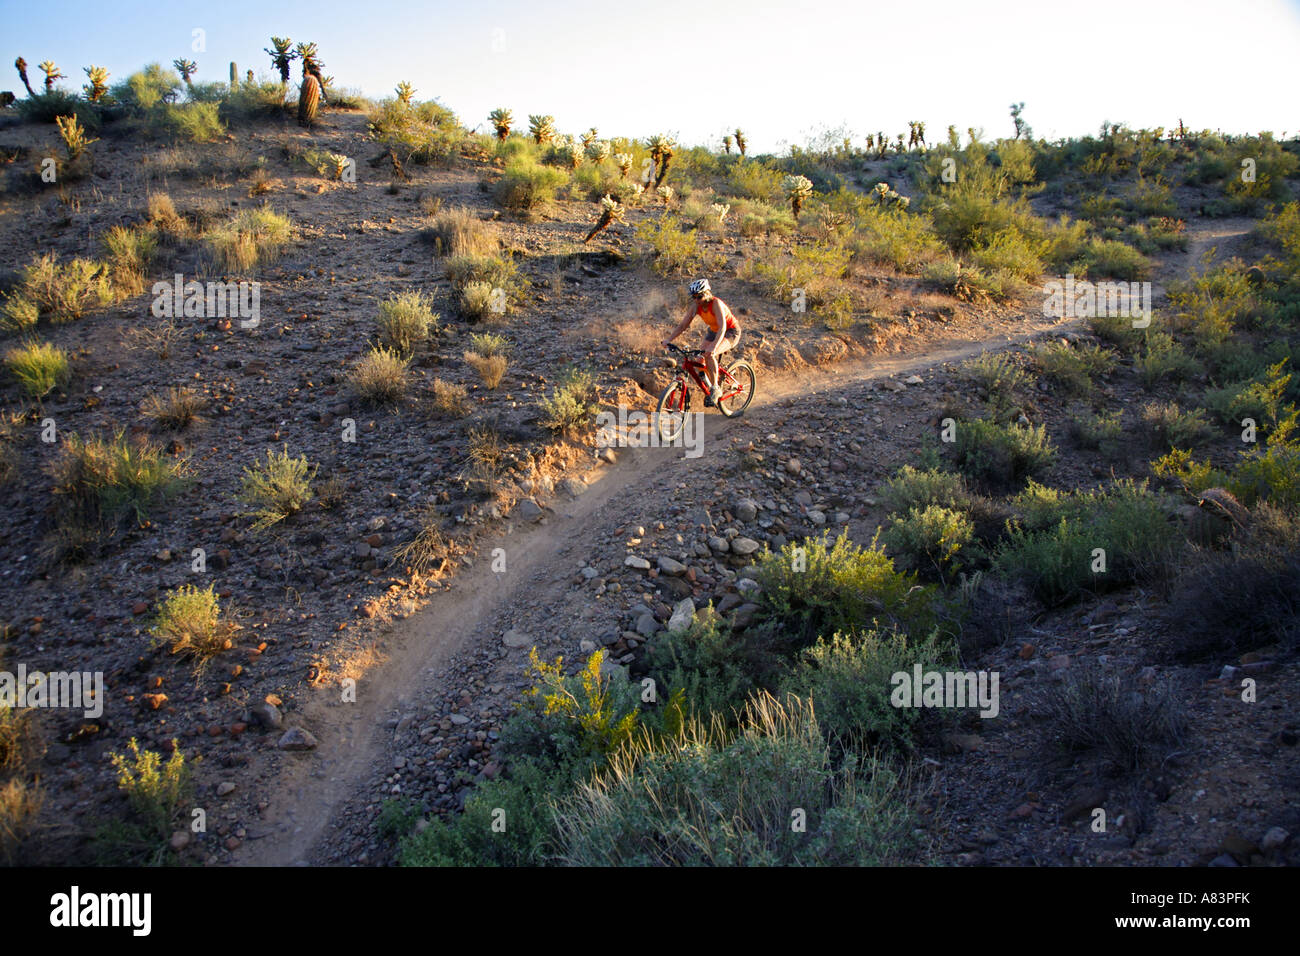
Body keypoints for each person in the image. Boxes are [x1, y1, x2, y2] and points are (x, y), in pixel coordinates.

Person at [663, 278, 742, 406]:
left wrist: (713, 347)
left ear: (707, 293)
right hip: (713, 331)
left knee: (709, 354)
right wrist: (668, 340)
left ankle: (715, 388)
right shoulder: (696, 306)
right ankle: (710, 385)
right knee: (699, 359)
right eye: (693, 297)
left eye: (699, 296)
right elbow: (683, 325)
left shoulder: (716, 304)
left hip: (730, 331)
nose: (696, 300)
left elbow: (722, 327)